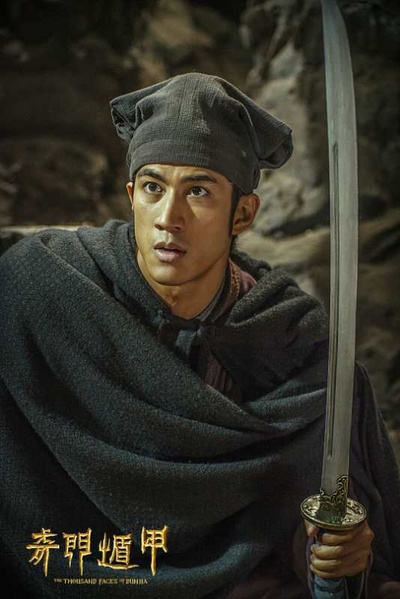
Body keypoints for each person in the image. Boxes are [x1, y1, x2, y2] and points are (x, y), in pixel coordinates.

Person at [0, 72, 399, 598]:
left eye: (199, 191)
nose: (170, 218)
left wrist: (334, 562)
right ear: (131, 196)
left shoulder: (291, 347)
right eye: (153, 188)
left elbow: (319, 539)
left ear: (243, 213)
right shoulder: (43, 289)